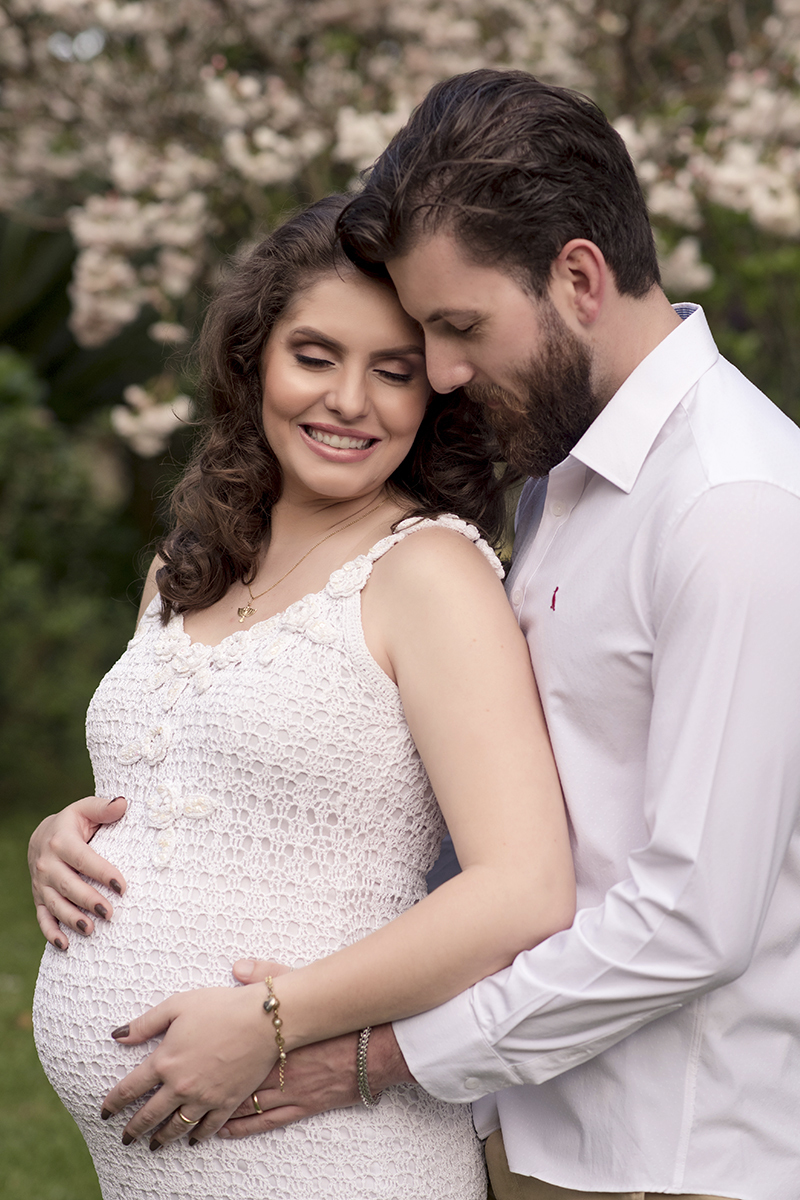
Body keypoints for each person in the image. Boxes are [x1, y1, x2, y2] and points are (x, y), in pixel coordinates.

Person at [144, 69, 800, 1200]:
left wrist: (376, 1058)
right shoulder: (568, 479)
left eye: (456, 330)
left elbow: (692, 919)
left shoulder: (729, 503)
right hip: (524, 1133)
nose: (441, 375)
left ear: (578, 278)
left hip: (665, 1161)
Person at [29, 192, 575, 1200]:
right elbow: (188, 788)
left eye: (393, 372)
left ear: (433, 397)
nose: (349, 402)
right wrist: (62, 839)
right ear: (255, 361)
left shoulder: (429, 574)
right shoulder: (183, 565)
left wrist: (272, 1020)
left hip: (328, 1153)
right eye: (315, 355)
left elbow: (524, 888)